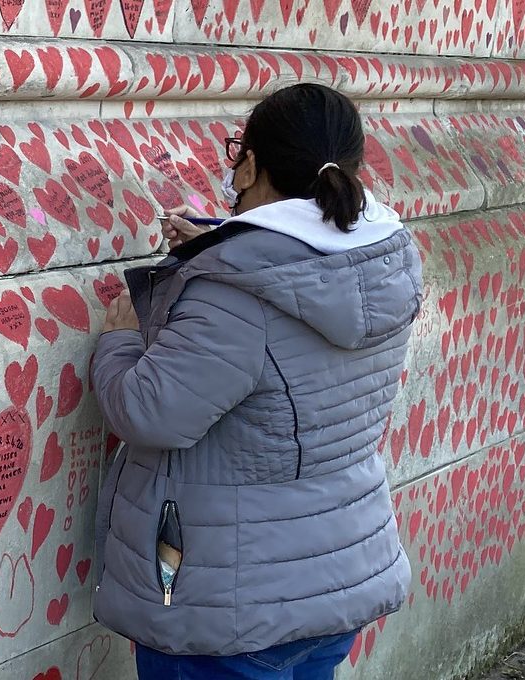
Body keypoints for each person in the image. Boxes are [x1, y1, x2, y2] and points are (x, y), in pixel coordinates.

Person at [90, 83, 422, 680]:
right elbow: (288, 302)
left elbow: (151, 413)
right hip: (331, 582)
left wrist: (118, 340)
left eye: (236, 150)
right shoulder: (384, 258)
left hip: (230, 610)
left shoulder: (235, 295)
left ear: (248, 163)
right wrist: (220, 248)